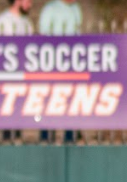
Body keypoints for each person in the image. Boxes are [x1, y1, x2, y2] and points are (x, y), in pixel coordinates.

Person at [0, 0, 34, 143]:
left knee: (19, 113)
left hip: (23, 77)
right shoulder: (1, 22)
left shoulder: (27, 24)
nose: (30, 4)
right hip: (6, 78)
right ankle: (6, 137)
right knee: (7, 112)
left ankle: (17, 137)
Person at [39, 0, 83, 143]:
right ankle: (46, 135)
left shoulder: (76, 9)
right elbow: (43, 34)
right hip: (52, 62)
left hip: (71, 62)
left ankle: (69, 135)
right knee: (49, 97)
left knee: (70, 97)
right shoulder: (50, 9)